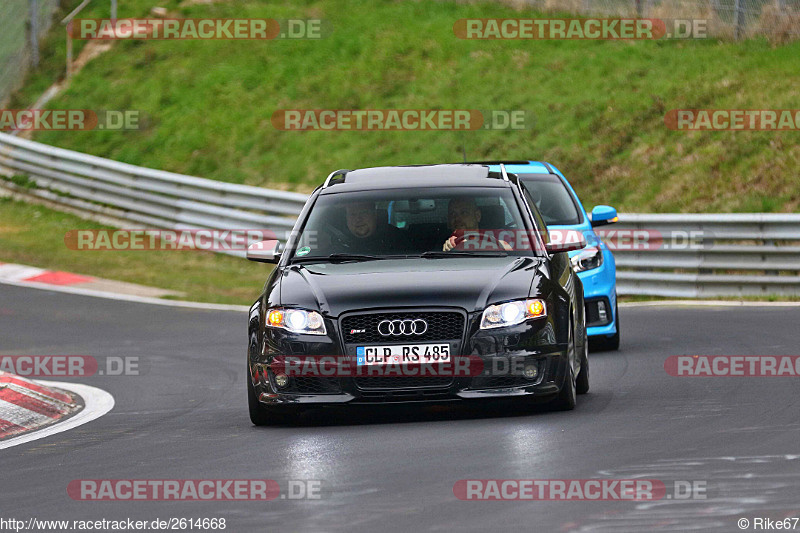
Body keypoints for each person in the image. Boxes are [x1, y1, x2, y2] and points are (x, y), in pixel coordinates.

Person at [336, 200, 411, 254]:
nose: (358, 219)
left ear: (375, 215)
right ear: (346, 218)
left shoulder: (399, 241)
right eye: (352, 214)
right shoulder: (335, 247)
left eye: (363, 212)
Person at [442, 197, 511, 252]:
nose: (457, 218)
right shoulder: (438, 244)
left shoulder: (498, 235)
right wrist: (447, 252)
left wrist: (473, 243)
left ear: (477, 216)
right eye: (453, 214)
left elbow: (512, 257)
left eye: (464, 213)